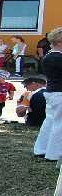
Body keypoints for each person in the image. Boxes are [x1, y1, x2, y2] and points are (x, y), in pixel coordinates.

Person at [34, 27, 62, 161]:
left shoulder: (49, 56)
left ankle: (41, 149)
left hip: (53, 92)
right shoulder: (57, 58)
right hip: (59, 93)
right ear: (60, 42)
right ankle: (54, 154)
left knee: (50, 121)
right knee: (59, 123)